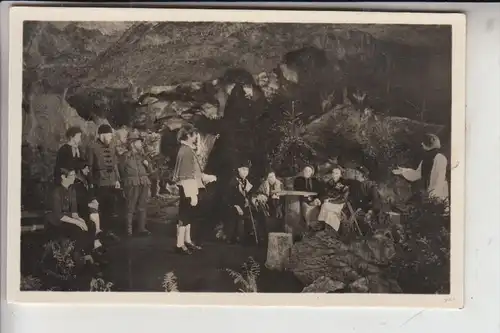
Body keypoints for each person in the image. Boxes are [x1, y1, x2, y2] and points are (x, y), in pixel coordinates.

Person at [172, 125, 217, 255]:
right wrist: (192, 194)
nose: (196, 137)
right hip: (188, 187)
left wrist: (206, 177)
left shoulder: (187, 150)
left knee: (188, 215)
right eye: (194, 134)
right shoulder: (186, 151)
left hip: (189, 186)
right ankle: (180, 245)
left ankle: (187, 241)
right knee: (184, 215)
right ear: (188, 136)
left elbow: (194, 172)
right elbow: (186, 175)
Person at [47, 167, 102, 267]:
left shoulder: (72, 190)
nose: (74, 178)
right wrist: (77, 222)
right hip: (58, 221)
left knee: (91, 224)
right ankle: (76, 256)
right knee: (77, 229)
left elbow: (74, 211)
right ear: (63, 177)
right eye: (72, 176)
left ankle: (88, 253)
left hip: (69, 218)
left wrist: (80, 220)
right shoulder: (56, 192)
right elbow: (58, 215)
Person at [392, 133, 449, 203]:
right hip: (430, 194)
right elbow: (417, 174)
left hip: (439, 194)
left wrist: (434, 195)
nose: (422, 144)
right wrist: (402, 171)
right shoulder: (426, 159)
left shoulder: (440, 158)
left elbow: (440, 179)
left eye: (424, 142)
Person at [87, 124, 122, 234]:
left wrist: (117, 179)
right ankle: (97, 232)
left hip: (111, 182)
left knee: (111, 209)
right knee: (99, 209)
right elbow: (90, 167)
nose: (111, 138)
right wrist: (91, 183)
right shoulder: (92, 147)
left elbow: (115, 163)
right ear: (102, 135)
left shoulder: (112, 146)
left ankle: (108, 232)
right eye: (109, 136)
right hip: (100, 183)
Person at [118, 131, 153, 237]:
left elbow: (151, 171)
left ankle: (141, 228)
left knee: (142, 206)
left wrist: (147, 165)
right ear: (132, 143)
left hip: (144, 182)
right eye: (139, 142)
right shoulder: (125, 156)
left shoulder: (143, 156)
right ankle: (128, 230)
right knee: (130, 206)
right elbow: (121, 170)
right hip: (131, 183)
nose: (141, 144)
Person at [224, 159, 256, 245]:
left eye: (247, 170)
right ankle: (231, 236)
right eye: (243, 170)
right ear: (239, 169)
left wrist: (249, 200)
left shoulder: (246, 181)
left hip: (243, 206)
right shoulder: (233, 181)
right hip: (233, 207)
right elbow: (228, 197)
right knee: (235, 220)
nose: (245, 172)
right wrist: (237, 206)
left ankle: (245, 236)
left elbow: (249, 194)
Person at [343, 166, 383, 233]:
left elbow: (376, 199)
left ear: (363, 176)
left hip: (365, 210)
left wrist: (371, 212)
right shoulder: (354, 182)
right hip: (351, 208)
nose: (355, 175)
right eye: (355, 172)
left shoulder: (370, 185)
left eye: (357, 173)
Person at [252, 170, 284, 239]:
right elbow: (257, 193)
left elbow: (283, 196)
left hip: (277, 204)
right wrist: (261, 197)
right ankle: (265, 235)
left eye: (272, 176)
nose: (271, 179)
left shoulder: (280, 184)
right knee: (263, 218)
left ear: (275, 177)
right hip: (266, 205)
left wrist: (277, 197)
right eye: (269, 177)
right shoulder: (264, 184)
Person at [318, 167, 349, 234]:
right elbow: (325, 194)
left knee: (325, 205)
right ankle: (327, 229)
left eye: (336, 173)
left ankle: (329, 229)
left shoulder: (344, 184)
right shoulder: (329, 183)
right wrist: (325, 199)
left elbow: (343, 199)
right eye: (333, 173)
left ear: (340, 175)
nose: (334, 175)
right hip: (330, 202)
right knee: (328, 211)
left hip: (340, 203)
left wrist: (330, 201)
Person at [293, 165, 324, 230]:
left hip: (314, 200)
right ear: (303, 171)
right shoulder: (298, 180)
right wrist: (308, 199)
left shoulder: (315, 181)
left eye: (309, 171)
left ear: (312, 173)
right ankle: (308, 226)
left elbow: (321, 191)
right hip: (303, 200)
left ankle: (317, 226)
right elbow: (298, 190)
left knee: (319, 207)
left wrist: (318, 199)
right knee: (306, 207)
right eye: (305, 170)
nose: (307, 172)